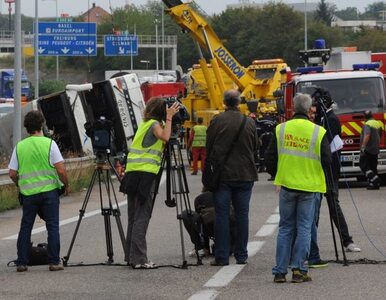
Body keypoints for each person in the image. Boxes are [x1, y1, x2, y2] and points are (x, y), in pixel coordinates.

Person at [265, 93, 332, 283]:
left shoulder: (281, 129)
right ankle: (299, 270)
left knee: (285, 228)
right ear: (309, 109)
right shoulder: (318, 132)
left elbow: (270, 158)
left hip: (287, 185)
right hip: (309, 187)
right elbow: (327, 159)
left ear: (294, 108)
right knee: (304, 228)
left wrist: (279, 174)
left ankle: (279, 271)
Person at [121, 97, 180, 269]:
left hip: (133, 173)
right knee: (142, 217)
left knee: (133, 217)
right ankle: (140, 259)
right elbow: (165, 137)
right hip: (145, 176)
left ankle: (130, 256)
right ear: (162, 111)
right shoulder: (155, 124)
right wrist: (169, 118)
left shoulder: (145, 124)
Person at [8, 110, 69, 272]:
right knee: (52, 226)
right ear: (42, 125)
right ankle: (54, 262)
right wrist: (66, 185)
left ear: (26, 127)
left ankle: (21, 262)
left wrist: (20, 184)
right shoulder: (49, 144)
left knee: (25, 227)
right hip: (49, 192)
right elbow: (61, 170)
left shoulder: (20, 146)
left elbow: (12, 173)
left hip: (28, 194)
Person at [206, 89, 258, 266]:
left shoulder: (217, 121)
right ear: (239, 103)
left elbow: (209, 146)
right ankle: (241, 255)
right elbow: (256, 146)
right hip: (245, 174)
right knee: (243, 215)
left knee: (222, 215)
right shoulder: (249, 122)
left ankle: (221, 256)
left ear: (224, 103)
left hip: (223, 176)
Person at [311, 89, 361, 255]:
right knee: (315, 209)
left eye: (315, 105)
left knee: (334, 206)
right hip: (319, 171)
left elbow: (325, 143)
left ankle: (347, 240)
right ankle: (311, 245)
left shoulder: (331, 119)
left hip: (329, 170)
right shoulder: (320, 119)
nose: (313, 109)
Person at [359, 110, 381, 190]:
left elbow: (367, 135)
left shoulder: (367, 124)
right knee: (373, 167)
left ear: (365, 117)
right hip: (375, 148)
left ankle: (375, 179)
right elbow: (380, 135)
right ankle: (375, 184)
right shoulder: (377, 123)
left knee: (363, 165)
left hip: (368, 149)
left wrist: (363, 146)